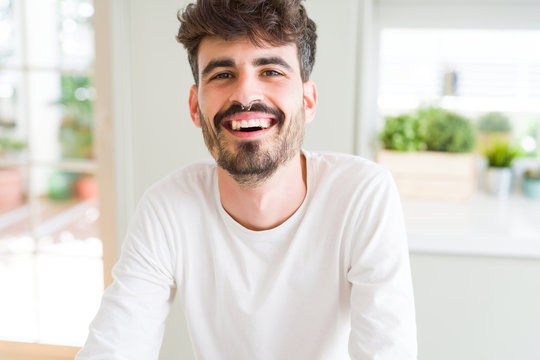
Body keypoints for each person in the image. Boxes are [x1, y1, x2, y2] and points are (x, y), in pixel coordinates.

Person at [76, 0, 417, 359]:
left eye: (270, 71)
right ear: (195, 107)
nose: (245, 95)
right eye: (222, 75)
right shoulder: (167, 208)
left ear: (308, 101)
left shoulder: (362, 195)